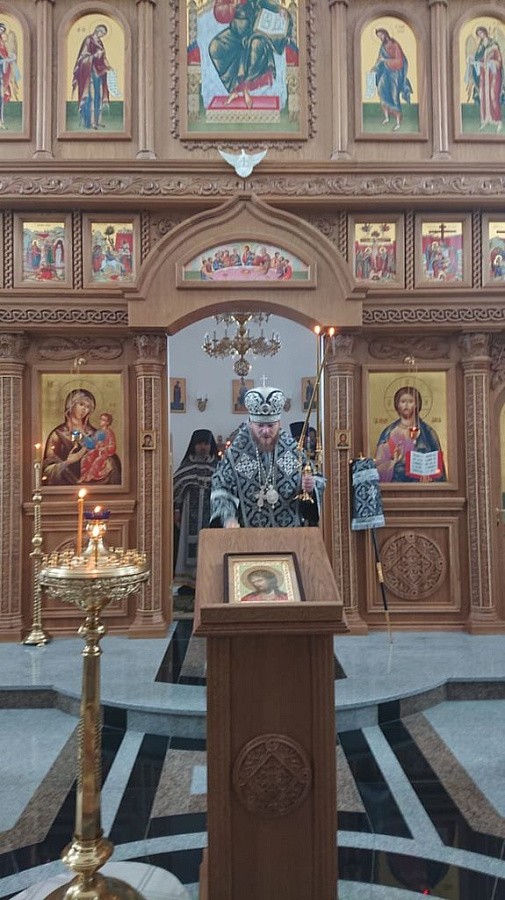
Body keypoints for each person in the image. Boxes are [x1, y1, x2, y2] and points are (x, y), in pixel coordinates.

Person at [210, 386, 325, 527]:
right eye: (260, 425)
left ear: (279, 423)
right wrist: (228, 517)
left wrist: (310, 487)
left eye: (270, 425)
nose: (265, 431)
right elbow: (221, 489)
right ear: (251, 424)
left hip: (290, 535)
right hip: (247, 535)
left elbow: (317, 478)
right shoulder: (236, 454)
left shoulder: (293, 451)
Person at [208, 0, 293, 109]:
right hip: (235, 33)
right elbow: (219, 12)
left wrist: (279, 10)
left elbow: (265, 3)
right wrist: (233, 5)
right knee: (215, 47)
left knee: (255, 48)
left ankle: (246, 90)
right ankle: (233, 91)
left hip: (254, 32)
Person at [42, 389, 121, 486]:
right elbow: (47, 471)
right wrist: (67, 462)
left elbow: (110, 455)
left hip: (95, 484)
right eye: (81, 404)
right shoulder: (58, 434)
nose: (84, 409)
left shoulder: (95, 433)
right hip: (66, 487)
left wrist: (108, 462)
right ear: (71, 404)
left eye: (88, 407)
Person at [375, 386, 446, 483]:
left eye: (410, 401)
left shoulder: (427, 432)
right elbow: (378, 465)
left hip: (422, 485)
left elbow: (438, 466)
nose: (406, 405)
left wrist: (431, 476)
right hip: (396, 485)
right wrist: (394, 461)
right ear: (397, 405)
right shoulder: (388, 432)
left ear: (416, 405)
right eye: (403, 401)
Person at [173, 429, 219, 582]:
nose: (203, 447)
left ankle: (208, 580)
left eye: (206, 444)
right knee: (186, 545)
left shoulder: (218, 466)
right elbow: (176, 488)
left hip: (212, 512)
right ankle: (188, 580)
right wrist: (177, 510)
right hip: (188, 512)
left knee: (211, 543)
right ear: (194, 445)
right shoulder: (187, 466)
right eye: (199, 444)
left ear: (211, 445)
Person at [71, 23, 111, 130]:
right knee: (91, 97)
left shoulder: (100, 42)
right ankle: (91, 122)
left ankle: (98, 121)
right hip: (89, 73)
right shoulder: (88, 40)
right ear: (97, 30)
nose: (102, 35)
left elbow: (103, 57)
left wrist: (108, 65)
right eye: (102, 33)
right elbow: (82, 58)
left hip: (99, 72)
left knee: (99, 95)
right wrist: (94, 56)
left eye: (104, 34)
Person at [373, 28, 412, 131]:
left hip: (395, 73)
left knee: (394, 96)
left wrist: (385, 60)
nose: (380, 38)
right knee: (381, 90)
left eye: (381, 35)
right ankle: (386, 117)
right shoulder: (383, 46)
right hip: (386, 71)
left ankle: (398, 122)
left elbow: (399, 61)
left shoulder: (394, 45)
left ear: (386, 34)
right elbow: (380, 59)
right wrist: (375, 66)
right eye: (378, 36)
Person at [467, 26, 504, 133]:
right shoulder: (480, 47)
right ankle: (485, 119)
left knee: (493, 96)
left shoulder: (493, 45)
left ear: (485, 32)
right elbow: (479, 60)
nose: (480, 35)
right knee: (483, 96)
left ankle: (497, 120)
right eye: (478, 34)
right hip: (484, 75)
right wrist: (473, 61)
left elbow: (499, 61)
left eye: (481, 33)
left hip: (493, 75)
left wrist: (491, 63)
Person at [79, 412, 117, 483]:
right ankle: (84, 475)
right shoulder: (98, 432)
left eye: (103, 420)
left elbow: (112, 446)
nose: (101, 421)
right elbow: (93, 443)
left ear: (107, 423)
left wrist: (104, 448)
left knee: (97, 460)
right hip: (97, 451)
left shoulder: (109, 433)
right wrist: (86, 438)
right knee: (86, 457)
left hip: (104, 453)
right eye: (101, 419)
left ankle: (90, 476)